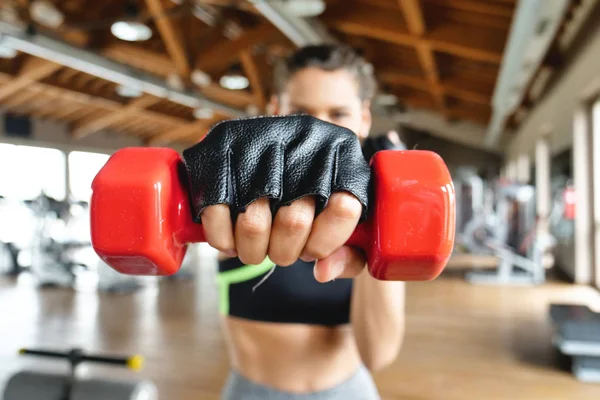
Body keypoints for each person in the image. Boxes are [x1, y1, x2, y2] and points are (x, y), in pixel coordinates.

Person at [202, 44, 406, 399]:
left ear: (364, 119)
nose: (320, 131)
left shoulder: (372, 207)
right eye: (301, 113)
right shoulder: (241, 188)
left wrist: (384, 209)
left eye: (338, 114)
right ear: (276, 112)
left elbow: (378, 353)